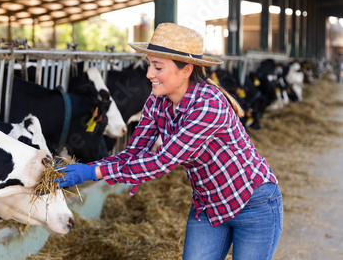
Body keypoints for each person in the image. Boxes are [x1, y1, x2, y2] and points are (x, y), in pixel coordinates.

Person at [56, 23, 283, 260]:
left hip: (254, 203)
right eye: (149, 64)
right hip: (208, 206)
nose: (149, 74)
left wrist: (94, 172)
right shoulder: (156, 102)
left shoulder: (208, 104)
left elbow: (162, 162)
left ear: (186, 70)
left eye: (158, 67)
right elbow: (134, 152)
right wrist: (92, 167)